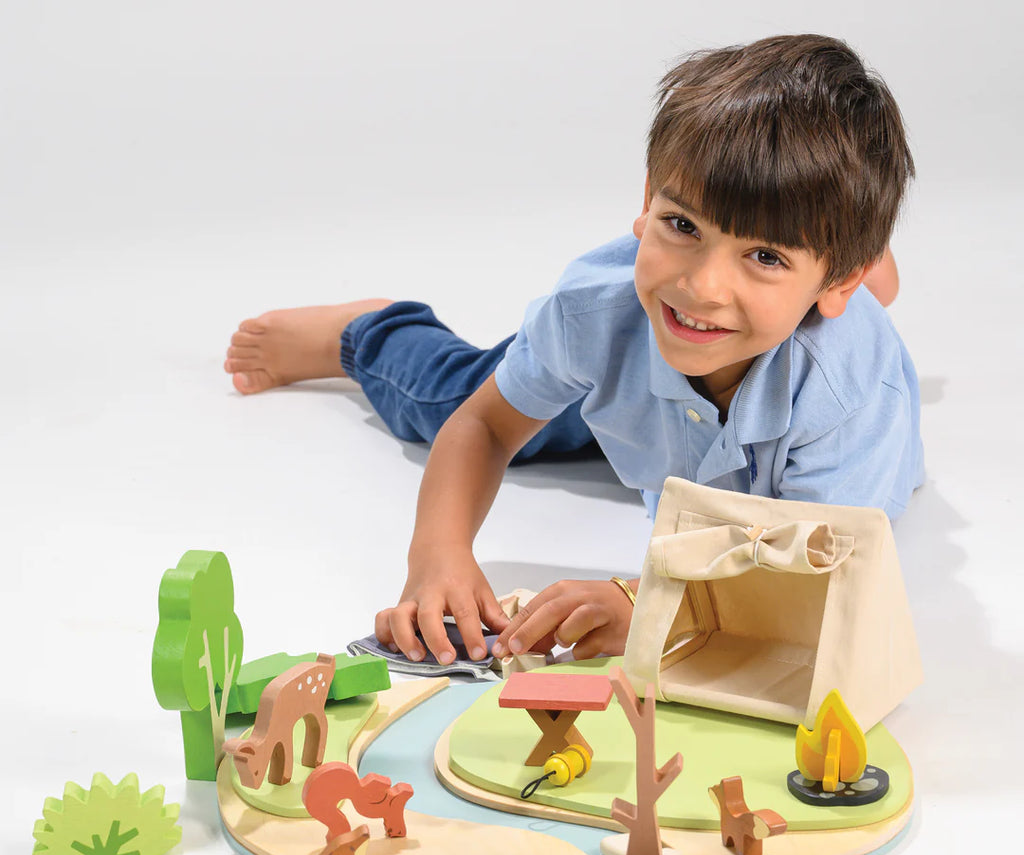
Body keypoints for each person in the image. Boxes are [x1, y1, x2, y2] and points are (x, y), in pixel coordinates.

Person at [224, 34, 922, 670]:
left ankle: (864, 270)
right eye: (681, 225)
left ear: (834, 280)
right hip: (640, 368)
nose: (702, 284)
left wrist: (644, 604)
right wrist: (437, 555)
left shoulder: (847, 397)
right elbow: (485, 425)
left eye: (763, 254)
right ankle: (366, 334)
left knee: (786, 321)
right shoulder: (601, 310)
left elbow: (811, 587)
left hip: (729, 384)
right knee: (446, 401)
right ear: (646, 202)